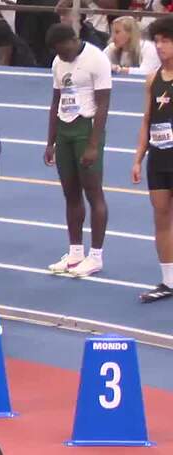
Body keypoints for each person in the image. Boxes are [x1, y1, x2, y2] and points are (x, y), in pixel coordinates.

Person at [46, 23, 112, 279]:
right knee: (70, 193)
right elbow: (55, 102)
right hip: (65, 129)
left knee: (93, 193)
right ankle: (75, 252)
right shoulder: (57, 62)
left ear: (74, 40)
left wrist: (94, 144)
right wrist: (50, 141)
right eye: (57, 52)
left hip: (87, 128)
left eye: (64, 50)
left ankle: (95, 256)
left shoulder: (97, 59)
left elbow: (103, 104)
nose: (62, 56)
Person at [130, 15, 173, 303]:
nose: (160, 46)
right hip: (158, 159)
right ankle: (169, 281)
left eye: (166, 41)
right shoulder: (152, 79)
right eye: (157, 41)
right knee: (161, 218)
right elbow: (147, 119)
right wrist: (138, 158)